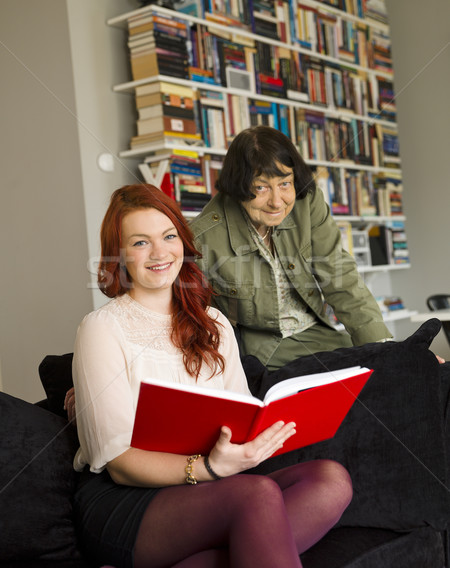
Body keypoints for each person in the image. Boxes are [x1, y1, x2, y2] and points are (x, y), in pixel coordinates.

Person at [71, 183, 353, 568]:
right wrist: (208, 468)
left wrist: (255, 442)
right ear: (119, 257)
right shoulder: (101, 328)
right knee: (256, 495)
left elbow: (237, 416)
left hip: (211, 485)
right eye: (140, 243)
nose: (159, 252)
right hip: (127, 500)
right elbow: (118, 462)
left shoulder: (215, 323)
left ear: (183, 242)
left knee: (329, 479)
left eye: (169, 236)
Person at [191, 125, 393, 369]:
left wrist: (383, 346)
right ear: (238, 185)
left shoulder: (307, 203)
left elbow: (340, 276)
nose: (277, 202)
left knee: (396, 371)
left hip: (318, 336)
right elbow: (197, 322)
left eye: (285, 183)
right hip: (261, 355)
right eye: (261, 187)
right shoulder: (203, 237)